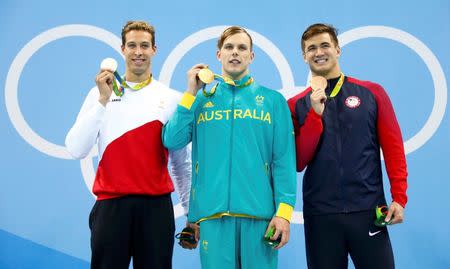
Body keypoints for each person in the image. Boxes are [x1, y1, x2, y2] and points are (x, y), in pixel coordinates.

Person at [162, 26, 296, 269]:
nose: (235, 53)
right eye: (229, 47)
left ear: (251, 56)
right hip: (212, 218)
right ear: (218, 55)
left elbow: (284, 162)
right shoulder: (200, 100)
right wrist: (190, 93)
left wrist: (284, 214)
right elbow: (172, 140)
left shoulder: (273, 101)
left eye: (242, 48)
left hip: (260, 217)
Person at [65, 20, 191, 269]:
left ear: (155, 49)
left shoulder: (171, 98)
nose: (138, 52)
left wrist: (191, 214)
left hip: (156, 209)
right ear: (122, 49)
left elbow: (181, 164)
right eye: (132, 45)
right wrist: (103, 100)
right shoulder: (99, 94)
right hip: (111, 207)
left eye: (144, 46)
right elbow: (75, 148)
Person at [288, 23, 408, 269]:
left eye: (324, 45)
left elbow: (393, 147)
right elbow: (299, 161)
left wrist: (399, 197)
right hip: (321, 215)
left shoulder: (372, 93)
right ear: (303, 56)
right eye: (311, 48)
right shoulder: (296, 104)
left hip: (368, 211)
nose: (318, 52)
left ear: (338, 49)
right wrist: (314, 115)